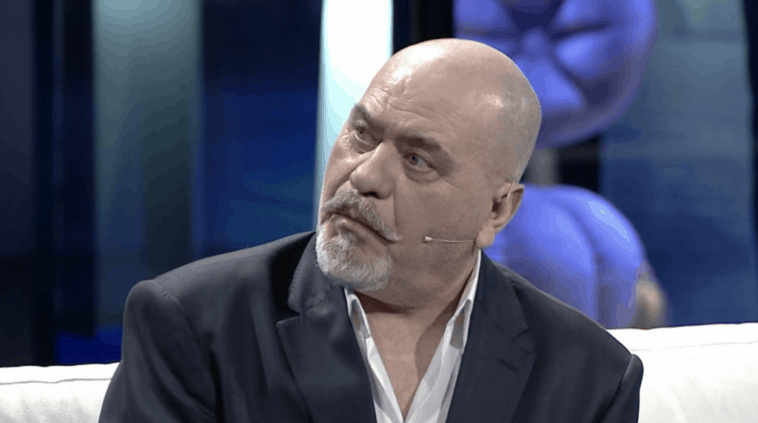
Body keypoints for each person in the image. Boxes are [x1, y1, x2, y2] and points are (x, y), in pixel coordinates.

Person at [99, 38, 643, 423]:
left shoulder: (590, 377)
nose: (363, 177)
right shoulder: (194, 324)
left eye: (417, 160)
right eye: (362, 135)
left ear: (496, 210)